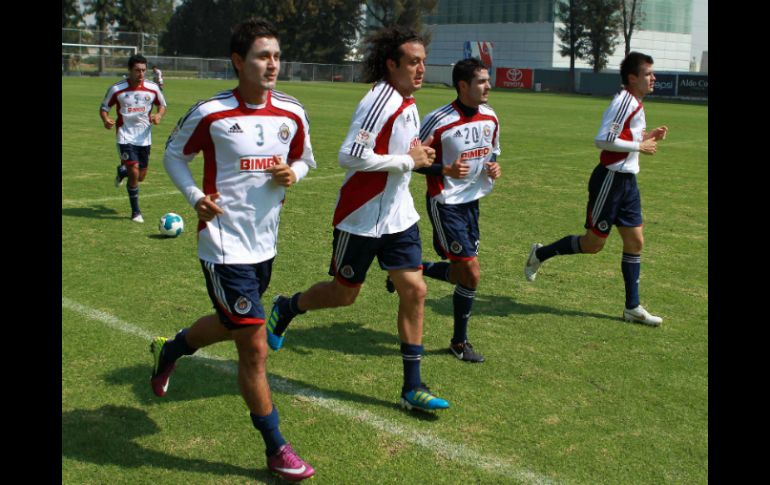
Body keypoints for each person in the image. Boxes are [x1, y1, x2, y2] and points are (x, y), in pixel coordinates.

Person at [151, 18, 316, 481]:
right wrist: (194, 198)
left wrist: (294, 174)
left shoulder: (292, 112)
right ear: (238, 62)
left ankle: (171, 350)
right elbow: (172, 154)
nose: (272, 65)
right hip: (222, 244)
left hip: (265, 244)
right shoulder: (211, 112)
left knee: (231, 325)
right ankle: (276, 447)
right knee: (254, 346)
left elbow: (307, 157)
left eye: (277, 57)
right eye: (263, 56)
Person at [266, 26, 451, 413]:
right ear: (391, 64)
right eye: (413, 62)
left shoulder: (409, 100)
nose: (421, 69)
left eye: (423, 62)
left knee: (415, 290)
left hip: (399, 216)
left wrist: (418, 154)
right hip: (361, 215)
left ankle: (412, 386)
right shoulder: (379, 99)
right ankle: (288, 306)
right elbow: (349, 156)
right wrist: (407, 160)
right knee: (343, 294)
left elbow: (400, 151)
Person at [524, 51, 669, 326]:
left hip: (627, 182)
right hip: (610, 181)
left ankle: (632, 307)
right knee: (593, 245)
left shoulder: (636, 102)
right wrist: (640, 145)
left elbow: (623, 137)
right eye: (648, 73)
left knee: (635, 241)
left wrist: (648, 137)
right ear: (632, 78)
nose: (654, 78)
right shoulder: (624, 101)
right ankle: (539, 254)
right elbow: (603, 139)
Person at [394, 57, 501, 363]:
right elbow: (411, 161)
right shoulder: (439, 120)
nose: (488, 86)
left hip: (472, 203)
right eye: (481, 81)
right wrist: (445, 170)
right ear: (463, 85)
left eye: (488, 80)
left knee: (461, 274)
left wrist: (493, 167)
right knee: (471, 272)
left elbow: (492, 151)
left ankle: (409, 271)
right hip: (445, 202)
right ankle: (459, 342)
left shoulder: (491, 117)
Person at [100, 54, 166, 223]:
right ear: (129, 70)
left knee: (141, 176)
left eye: (143, 70)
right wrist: (106, 119)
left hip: (144, 137)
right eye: (137, 70)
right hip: (125, 135)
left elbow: (162, 105)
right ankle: (136, 212)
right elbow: (104, 107)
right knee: (134, 170)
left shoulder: (152, 88)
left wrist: (158, 115)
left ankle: (122, 171)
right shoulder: (117, 89)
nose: (141, 74)